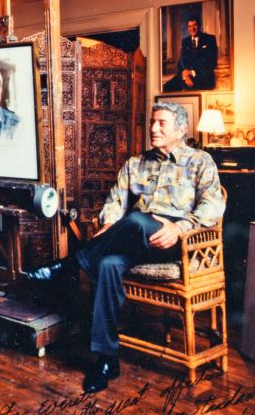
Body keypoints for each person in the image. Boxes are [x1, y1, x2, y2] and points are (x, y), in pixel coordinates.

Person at [27, 102, 225, 393]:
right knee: (108, 263)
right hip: (134, 238)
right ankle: (106, 359)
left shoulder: (200, 161)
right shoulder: (136, 164)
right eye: (152, 122)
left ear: (181, 130)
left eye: (161, 123)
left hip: (175, 240)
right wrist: (110, 223)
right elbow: (115, 202)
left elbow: (212, 207)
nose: (153, 128)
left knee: (135, 220)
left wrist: (179, 228)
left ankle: (69, 266)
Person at [164, 16, 218, 91]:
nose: (192, 28)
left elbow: (211, 62)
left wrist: (192, 72)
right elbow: (182, 60)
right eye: (190, 26)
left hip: (203, 76)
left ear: (199, 26)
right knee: (166, 87)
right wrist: (185, 74)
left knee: (189, 89)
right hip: (186, 75)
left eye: (194, 25)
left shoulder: (210, 39)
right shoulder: (185, 41)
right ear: (188, 28)